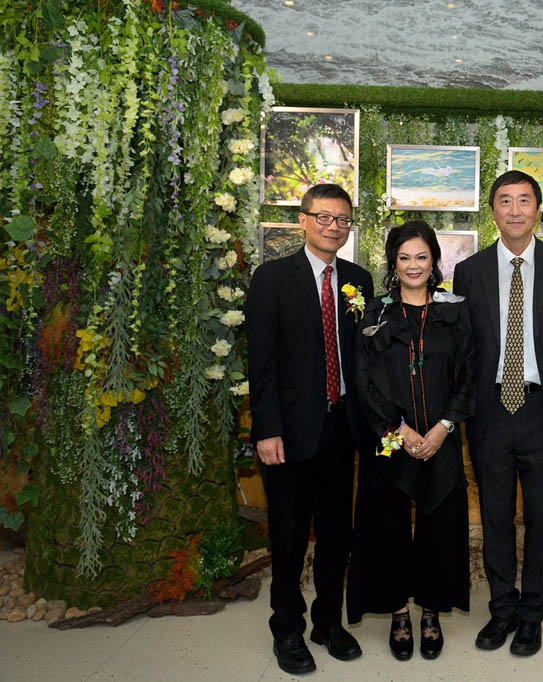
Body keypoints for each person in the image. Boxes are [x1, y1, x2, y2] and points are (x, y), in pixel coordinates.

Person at [246, 183, 372, 674]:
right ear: (303, 220)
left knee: (338, 536)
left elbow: (363, 359)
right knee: (290, 537)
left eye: (342, 219)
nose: (333, 226)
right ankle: (288, 631)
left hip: (343, 429)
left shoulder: (358, 280)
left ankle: (327, 622)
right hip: (290, 432)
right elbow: (263, 362)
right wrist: (267, 428)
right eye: (323, 217)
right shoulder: (272, 278)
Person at [452, 170, 543, 656]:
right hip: (489, 411)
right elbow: (465, 346)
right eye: (505, 201)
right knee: (496, 515)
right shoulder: (471, 271)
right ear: (493, 211)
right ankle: (502, 608)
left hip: (542, 409)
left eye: (524, 201)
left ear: (538, 209)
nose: (515, 210)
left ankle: (532, 613)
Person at [347, 221, 474, 661]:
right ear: (393, 263)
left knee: (441, 529)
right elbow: (363, 380)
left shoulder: (455, 311)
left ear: (434, 260)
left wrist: (443, 427)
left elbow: (467, 375)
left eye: (421, 257)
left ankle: (430, 612)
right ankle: (399, 611)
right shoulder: (374, 315)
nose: (413, 266)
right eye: (404, 258)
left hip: (442, 439)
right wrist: (397, 429)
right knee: (388, 529)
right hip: (389, 443)